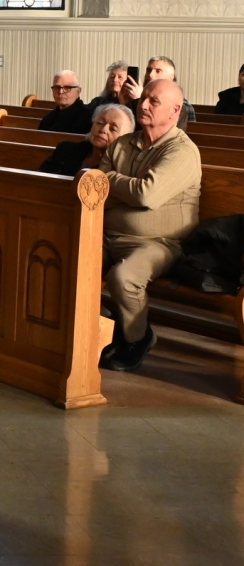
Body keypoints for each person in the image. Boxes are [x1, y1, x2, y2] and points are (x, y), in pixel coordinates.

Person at [100, 79, 201, 372]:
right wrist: (123, 188)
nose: (142, 104)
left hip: (161, 242)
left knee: (123, 278)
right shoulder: (122, 144)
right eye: (143, 98)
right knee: (67, 262)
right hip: (107, 235)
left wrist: (112, 181)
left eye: (153, 101)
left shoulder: (182, 151)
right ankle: (102, 325)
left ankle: (138, 337)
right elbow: (95, 191)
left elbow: (147, 194)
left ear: (175, 110)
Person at [39, 104, 135, 176]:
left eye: (113, 129)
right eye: (100, 123)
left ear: (125, 138)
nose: (103, 130)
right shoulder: (65, 150)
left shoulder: (121, 170)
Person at [120, 56, 196, 129]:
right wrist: (124, 105)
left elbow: (152, 132)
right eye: (149, 70)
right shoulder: (133, 98)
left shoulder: (183, 106)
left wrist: (138, 100)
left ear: (171, 78)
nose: (150, 75)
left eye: (158, 71)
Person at [38, 70, 92, 134]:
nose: (61, 92)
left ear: (78, 92)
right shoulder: (48, 118)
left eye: (67, 88)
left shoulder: (87, 119)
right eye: (57, 87)